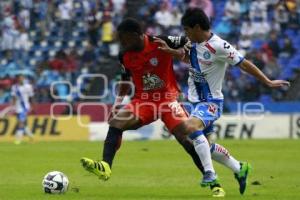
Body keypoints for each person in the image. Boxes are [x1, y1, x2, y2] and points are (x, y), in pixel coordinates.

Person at [80, 18, 225, 197]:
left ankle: (214, 182)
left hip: (168, 98)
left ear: (135, 35)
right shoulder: (124, 55)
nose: (122, 43)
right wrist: (117, 104)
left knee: (185, 138)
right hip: (143, 101)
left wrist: (175, 52)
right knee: (117, 122)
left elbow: (188, 41)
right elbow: (125, 82)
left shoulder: (160, 41)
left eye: (123, 39)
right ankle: (105, 166)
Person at [158, 7, 290, 194]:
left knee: (190, 128)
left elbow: (244, 63)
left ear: (196, 27)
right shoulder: (193, 43)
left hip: (210, 102)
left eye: (187, 29)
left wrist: (267, 81)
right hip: (195, 101)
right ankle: (240, 168)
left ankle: (210, 174)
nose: (185, 34)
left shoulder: (219, 45)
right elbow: (188, 59)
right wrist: (171, 51)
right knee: (208, 147)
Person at [11, 74, 34, 144]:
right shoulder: (14, 87)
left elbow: (31, 97)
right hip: (18, 107)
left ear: (24, 79)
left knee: (20, 122)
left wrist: (32, 105)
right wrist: (13, 106)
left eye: (22, 78)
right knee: (23, 123)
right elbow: (14, 97)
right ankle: (31, 137)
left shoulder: (28, 86)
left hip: (25, 107)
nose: (21, 79)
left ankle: (18, 139)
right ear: (17, 79)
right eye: (19, 78)